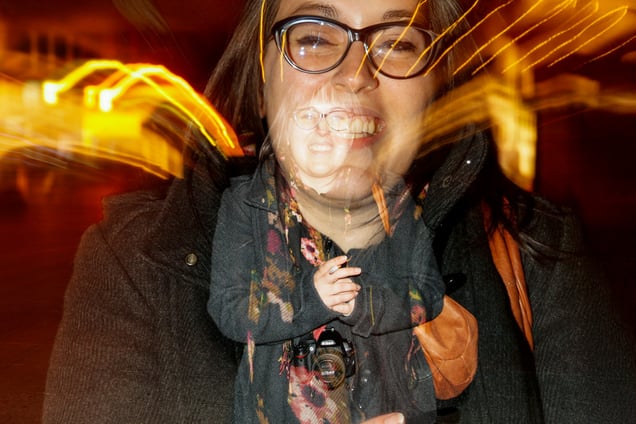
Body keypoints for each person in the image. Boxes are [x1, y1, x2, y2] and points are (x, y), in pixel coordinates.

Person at [42, 1, 636, 424]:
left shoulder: (540, 252)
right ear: (263, 73)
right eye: (314, 37)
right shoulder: (137, 260)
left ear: (436, 85)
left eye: (398, 42)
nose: (356, 76)